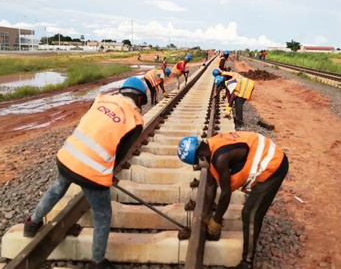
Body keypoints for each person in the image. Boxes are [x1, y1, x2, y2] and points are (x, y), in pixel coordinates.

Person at [23, 77, 148, 269]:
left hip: (67, 157)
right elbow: (120, 154)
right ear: (139, 99)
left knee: (57, 188)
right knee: (103, 214)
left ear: (122, 91)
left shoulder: (101, 99)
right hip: (91, 173)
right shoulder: (135, 120)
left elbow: (92, 127)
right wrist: (106, 174)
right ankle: (97, 261)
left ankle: (32, 223)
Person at [177, 132, 288, 269]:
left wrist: (216, 222)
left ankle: (247, 262)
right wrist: (205, 215)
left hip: (273, 166)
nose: (198, 167)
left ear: (201, 156)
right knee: (250, 211)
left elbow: (225, 193)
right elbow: (211, 186)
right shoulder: (210, 147)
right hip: (267, 156)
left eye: (197, 164)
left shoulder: (220, 158)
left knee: (250, 213)